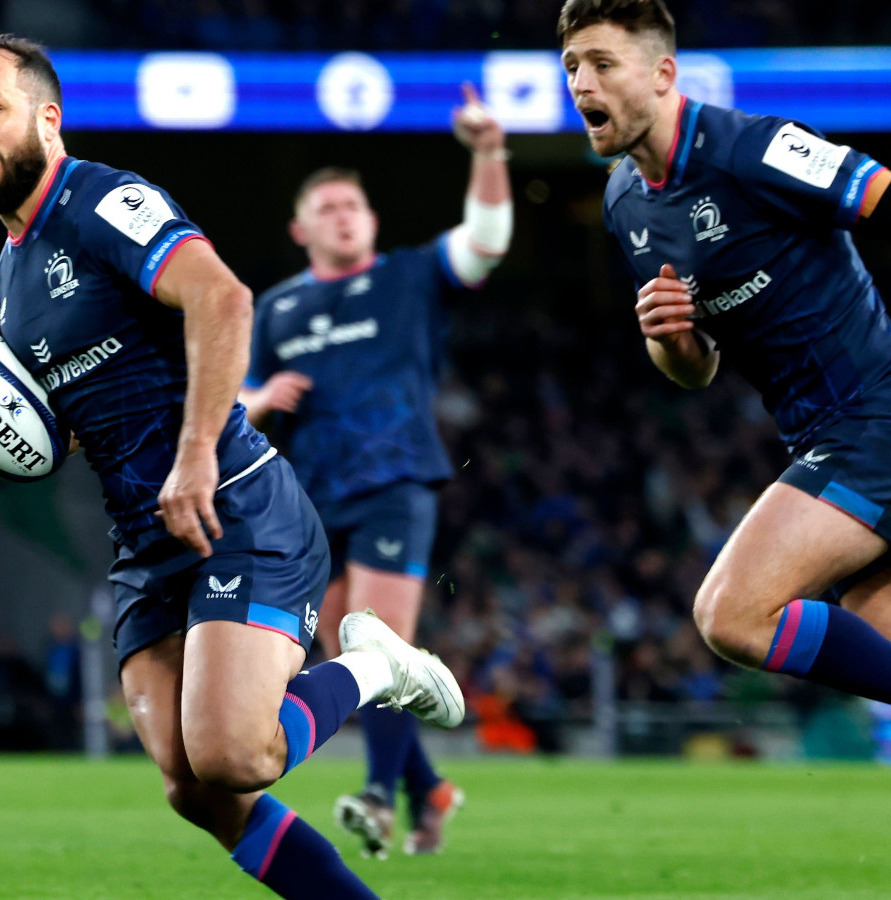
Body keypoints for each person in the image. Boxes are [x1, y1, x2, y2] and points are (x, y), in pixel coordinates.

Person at [0, 33, 464, 899]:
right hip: (144, 538)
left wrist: (199, 453)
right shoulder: (11, 274)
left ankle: (376, 667)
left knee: (237, 754)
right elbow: (81, 425)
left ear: (47, 120)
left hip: (235, 506)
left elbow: (222, 296)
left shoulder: (102, 200)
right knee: (194, 789)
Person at [560, 0, 891, 705]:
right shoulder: (625, 202)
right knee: (877, 648)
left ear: (662, 73)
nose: (582, 84)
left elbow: (878, 192)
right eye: (572, 67)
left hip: (874, 414)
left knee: (733, 613)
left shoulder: (751, 149)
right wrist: (668, 337)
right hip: (817, 435)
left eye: (602, 64)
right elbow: (695, 368)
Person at [239, 89, 511, 859]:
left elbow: (486, 242)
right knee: (350, 660)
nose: (342, 214)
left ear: (372, 219)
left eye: (352, 203)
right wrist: (259, 400)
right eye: (325, 207)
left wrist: (489, 151)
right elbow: (238, 397)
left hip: (395, 482)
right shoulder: (279, 308)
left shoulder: (409, 277)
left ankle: (378, 801)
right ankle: (432, 790)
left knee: (377, 644)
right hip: (313, 500)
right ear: (300, 229)